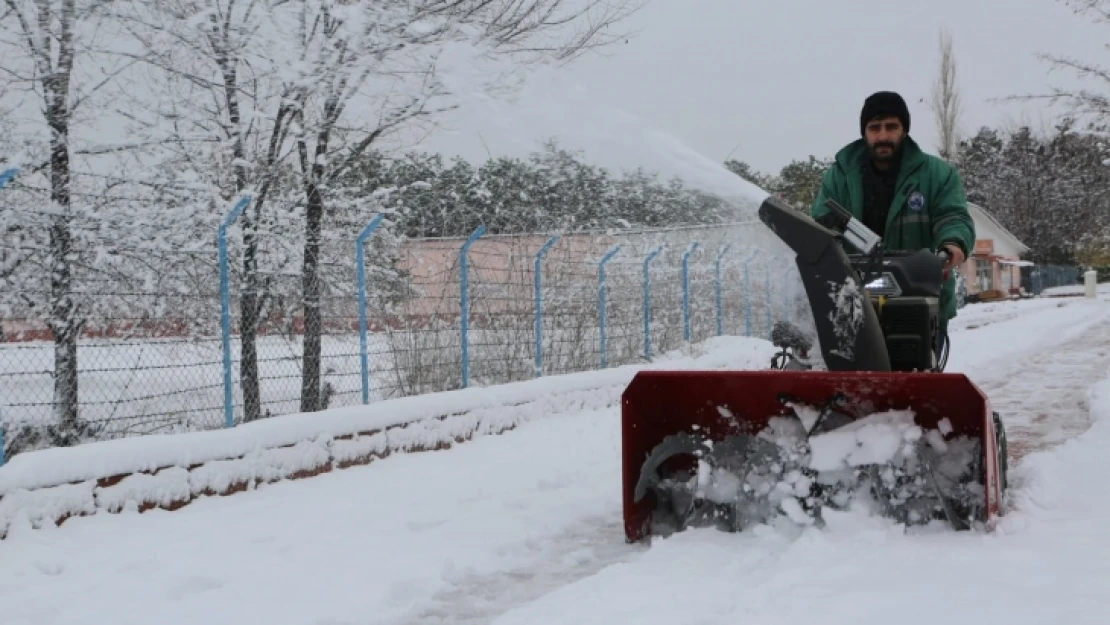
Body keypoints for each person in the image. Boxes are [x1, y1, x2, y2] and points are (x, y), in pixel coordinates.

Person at [810, 90, 975, 363]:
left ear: (905, 129)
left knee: (917, 379)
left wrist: (952, 244)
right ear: (864, 131)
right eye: (874, 128)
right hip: (853, 301)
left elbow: (953, 216)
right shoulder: (839, 177)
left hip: (919, 300)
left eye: (891, 127)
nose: (883, 136)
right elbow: (820, 224)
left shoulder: (937, 175)